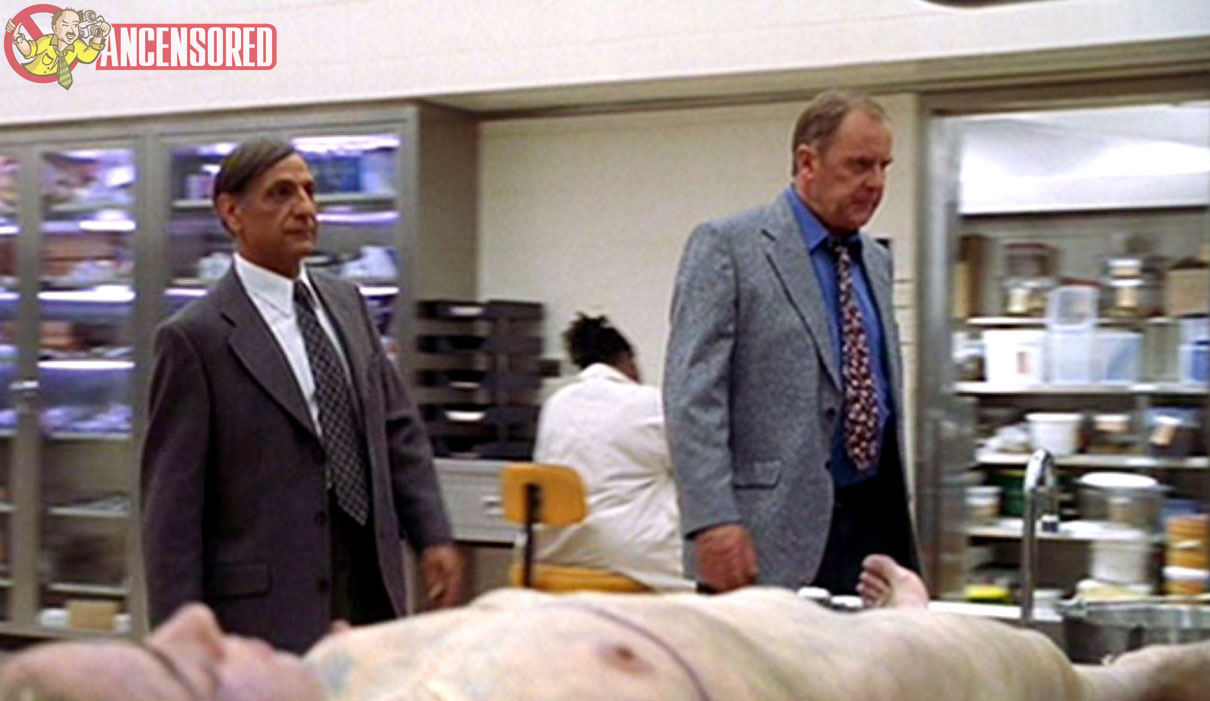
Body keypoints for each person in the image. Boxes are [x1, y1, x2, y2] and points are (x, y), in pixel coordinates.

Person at [140, 138, 461, 654]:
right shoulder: (196, 338)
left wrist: (433, 534)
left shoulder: (348, 304)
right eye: (281, 194)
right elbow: (171, 514)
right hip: (266, 611)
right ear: (232, 212)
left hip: (369, 585)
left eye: (310, 192)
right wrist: (179, 648)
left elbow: (396, 429)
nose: (305, 208)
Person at [2, 569, 1208, 701]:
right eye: (184, 665)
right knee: (1107, 680)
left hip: (758, 617)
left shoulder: (328, 674)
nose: (196, 619)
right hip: (868, 670)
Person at [663, 89, 918, 596]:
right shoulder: (729, 248)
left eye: (884, 167)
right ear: (808, 162)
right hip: (763, 536)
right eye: (859, 165)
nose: (876, 183)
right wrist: (711, 520)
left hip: (869, 533)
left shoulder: (875, 261)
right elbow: (691, 398)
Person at [532, 313, 692, 591]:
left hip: (552, 552)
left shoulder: (556, 403)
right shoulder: (650, 403)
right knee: (720, 574)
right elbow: (698, 465)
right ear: (627, 359)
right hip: (629, 555)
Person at [6, 8, 111, 90]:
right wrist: (17, 38)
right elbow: (29, 51)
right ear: (55, 29)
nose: (71, 31)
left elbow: (88, 56)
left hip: (52, 90)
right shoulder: (47, 41)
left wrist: (99, 35)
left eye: (75, 25)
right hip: (27, 81)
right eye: (65, 25)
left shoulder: (77, 46)